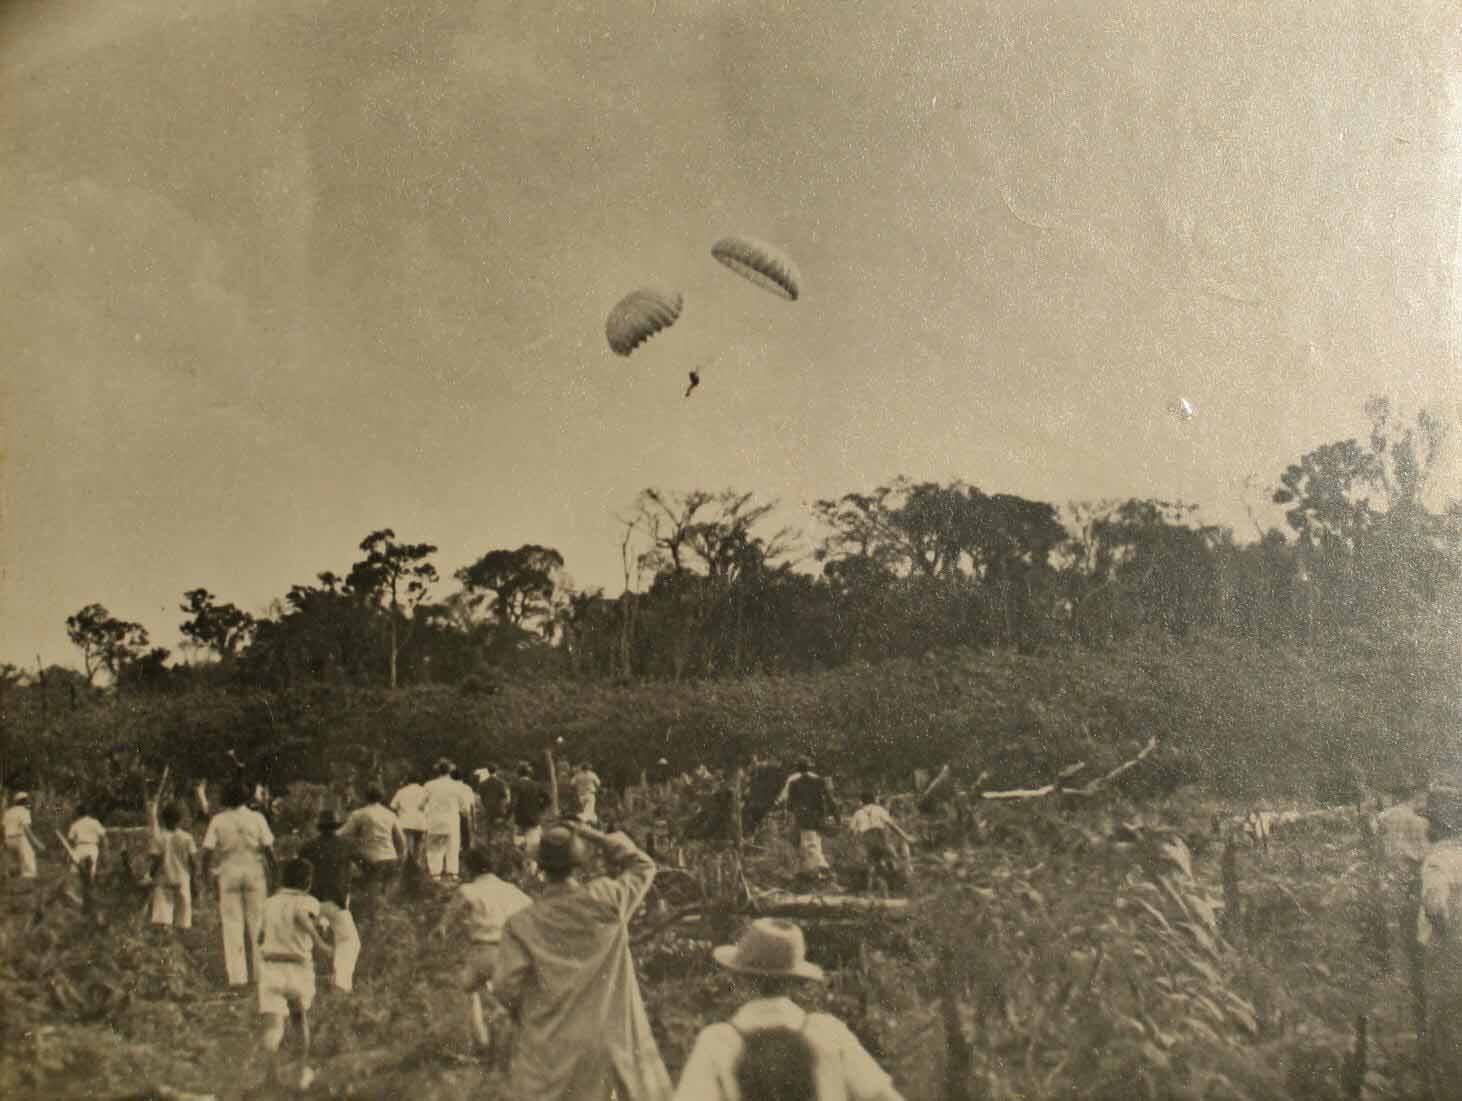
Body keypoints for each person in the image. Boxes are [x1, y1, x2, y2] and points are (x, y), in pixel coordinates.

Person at [496, 821, 672, 1101]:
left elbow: (506, 987)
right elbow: (643, 865)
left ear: (540, 869)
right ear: (579, 865)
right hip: (610, 1042)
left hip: (552, 1044)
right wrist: (599, 837)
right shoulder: (606, 899)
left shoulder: (521, 924)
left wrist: (530, 1014)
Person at [672, 918, 903, 1101]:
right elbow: (883, 1096)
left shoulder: (718, 1040)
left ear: (739, 979)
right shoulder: (828, 1032)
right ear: (796, 982)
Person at [436, 846, 533, 1059]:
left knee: (468, 990)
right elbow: (531, 908)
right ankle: (516, 1043)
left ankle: (482, 1041)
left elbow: (447, 920)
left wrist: (441, 930)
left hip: (481, 951)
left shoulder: (467, 890)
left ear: (470, 868)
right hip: (508, 951)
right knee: (509, 997)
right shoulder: (509, 889)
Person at [255, 857, 331, 1091]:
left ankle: (270, 1076)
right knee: (299, 1019)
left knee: (273, 1025)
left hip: (271, 966)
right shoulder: (309, 902)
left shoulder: (269, 903)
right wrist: (321, 932)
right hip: (298, 966)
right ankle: (300, 1073)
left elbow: (259, 937)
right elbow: (306, 920)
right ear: (307, 881)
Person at [202, 781, 277, 987]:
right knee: (258, 924)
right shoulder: (257, 818)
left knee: (232, 925)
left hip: (229, 872)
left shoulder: (218, 820)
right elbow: (270, 851)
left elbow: (207, 852)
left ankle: (237, 978)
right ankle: (260, 975)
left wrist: (205, 876)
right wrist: (276, 877)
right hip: (254, 871)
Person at [1419, 784, 1462, 1098]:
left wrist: (1447, 938)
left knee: (1446, 1024)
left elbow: (1435, 906)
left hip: (1448, 952)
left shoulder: (1439, 859)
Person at [300, 810, 363, 994]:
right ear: (337, 826)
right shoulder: (346, 845)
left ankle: (305, 982)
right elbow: (366, 864)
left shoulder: (308, 847)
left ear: (319, 827)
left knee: (304, 941)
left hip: (312, 900)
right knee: (349, 941)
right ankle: (342, 982)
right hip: (336, 901)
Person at [339, 786, 406, 916]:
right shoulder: (390, 814)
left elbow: (343, 833)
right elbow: (401, 839)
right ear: (381, 798)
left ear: (365, 797)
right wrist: (401, 857)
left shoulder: (360, 814)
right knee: (386, 892)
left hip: (370, 860)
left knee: (372, 891)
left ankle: (372, 914)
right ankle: (385, 915)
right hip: (390, 858)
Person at [775, 759, 838, 884]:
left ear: (797, 768)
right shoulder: (818, 779)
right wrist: (835, 815)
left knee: (803, 843)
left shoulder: (793, 780)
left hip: (801, 816)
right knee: (814, 841)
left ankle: (818, 870)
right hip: (816, 815)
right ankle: (809, 871)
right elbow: (828, 797)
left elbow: (788, 801)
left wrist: (784, 811)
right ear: (809, 768)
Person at [148, 801, 199, 930]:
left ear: (163, 819)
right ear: (180, 819)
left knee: (162, 915)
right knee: (184, 916)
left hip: (164, 878)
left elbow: (156, 860)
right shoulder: (187, 838)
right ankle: (181, 937)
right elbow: (193, 861)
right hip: (182, 878)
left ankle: (165, 935)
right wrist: (194, 880)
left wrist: (151, 875)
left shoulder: (159, 837)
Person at [849, 792, 914, 892]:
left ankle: (869, 891)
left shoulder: (857, 813)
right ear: (874, 799)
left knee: (871, 864)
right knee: (894, 859)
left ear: (861, 801)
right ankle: (903, 884)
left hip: (867, 839)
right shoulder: (879, 809)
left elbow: (851, 831)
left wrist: (854, 844)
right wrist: (905, 836)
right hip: (880, 837)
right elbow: (892, 825)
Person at [424, 759, 472, 881]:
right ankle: (453, 873)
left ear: (437, 770)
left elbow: (421, 805)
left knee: (434, 848)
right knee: (453, 846)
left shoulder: (429, 785)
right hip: (452, 820)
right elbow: (465, 808)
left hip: (434, 821)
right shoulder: (457, 786)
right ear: (450, 770)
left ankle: (435, 874)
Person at [66, 801, 107, 907]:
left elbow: (70, 840)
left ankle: (78, 895)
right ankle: (85, 896)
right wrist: (106, 851)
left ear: (78, 813)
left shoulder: (75, 824)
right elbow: (103, 837)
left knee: (75, 871)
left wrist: (68, 855)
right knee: (90, 873)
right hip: (92, 848)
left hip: (80, 848)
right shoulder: (95, 822)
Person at [511, 764, 548, 866]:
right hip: (534, 820)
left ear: (518, 773)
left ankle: (521, 868)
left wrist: (508, 814)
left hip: (519, 820)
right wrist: (540, 808)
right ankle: (532, 870)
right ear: (530, 774)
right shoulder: (536, 785)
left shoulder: (515, 785)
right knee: (533, 847)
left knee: (518, 846)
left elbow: (513, 803)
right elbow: (548, 799)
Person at [390, 773, 429, 868]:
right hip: (421, 823)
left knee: (407, 850)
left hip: (405, 822)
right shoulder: (425, 791)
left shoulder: (402, 791)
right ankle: (417, 871)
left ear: (408, 780)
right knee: (419, 851)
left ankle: (407, 871)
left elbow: (393, 806)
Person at [3, 792, 43, 880]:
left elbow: (2, 828)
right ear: (24, 801)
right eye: (27, 799)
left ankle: (11, 877)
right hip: (19, 838)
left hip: (8, 839)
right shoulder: (24, 811)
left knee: (14, 860)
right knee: (29, 856)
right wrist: (36, 842)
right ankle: (28, 878)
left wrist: (3, 842)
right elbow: (26, 829)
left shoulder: (8, 812)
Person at [477, 764, 513, 839]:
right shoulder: (501, 783)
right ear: (496, 771)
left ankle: (490, 841)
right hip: (498, 808)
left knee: (489, 827)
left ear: (488, 771)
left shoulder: (483, 784)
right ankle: (499, 841)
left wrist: (482, 808)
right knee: (500, 828)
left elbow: (480, 798)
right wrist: (504, 809)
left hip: (487, 808)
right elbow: (505, 798)